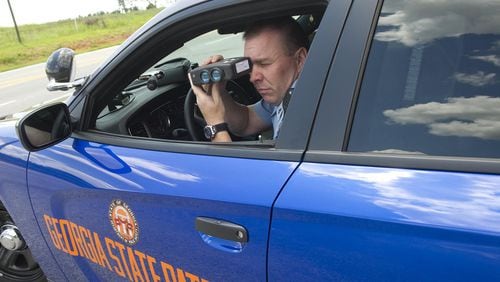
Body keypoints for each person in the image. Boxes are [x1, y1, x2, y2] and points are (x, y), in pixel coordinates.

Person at [189, 16, 308, 142]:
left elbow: (229, 163)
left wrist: (215, 126)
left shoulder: (306, 113)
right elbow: (246, 122)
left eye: (264, 64)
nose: (253, 77)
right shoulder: (287, 94)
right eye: (249, 65)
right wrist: (219, 91)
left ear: (299, 59)